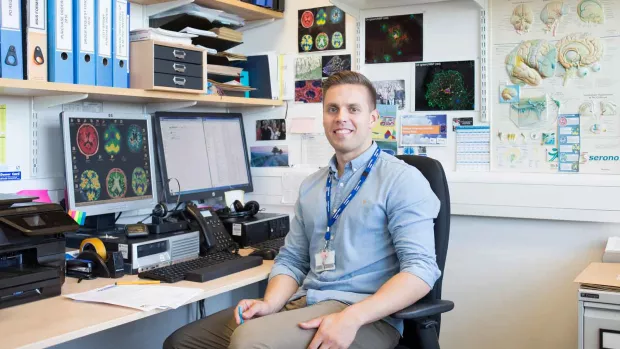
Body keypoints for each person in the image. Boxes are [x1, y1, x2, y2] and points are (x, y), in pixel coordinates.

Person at [163, 71, 441, 349]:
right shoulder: (313, 186)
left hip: (367, 317)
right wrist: (270, 303)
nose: (341, 117)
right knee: (183, 342)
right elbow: (292, 260)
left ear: (372, 118)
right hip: (305, 301)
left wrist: (351, 317)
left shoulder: (402, 180)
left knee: (249, 341)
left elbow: (420, 270)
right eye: (332, 109)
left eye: (353, 109)